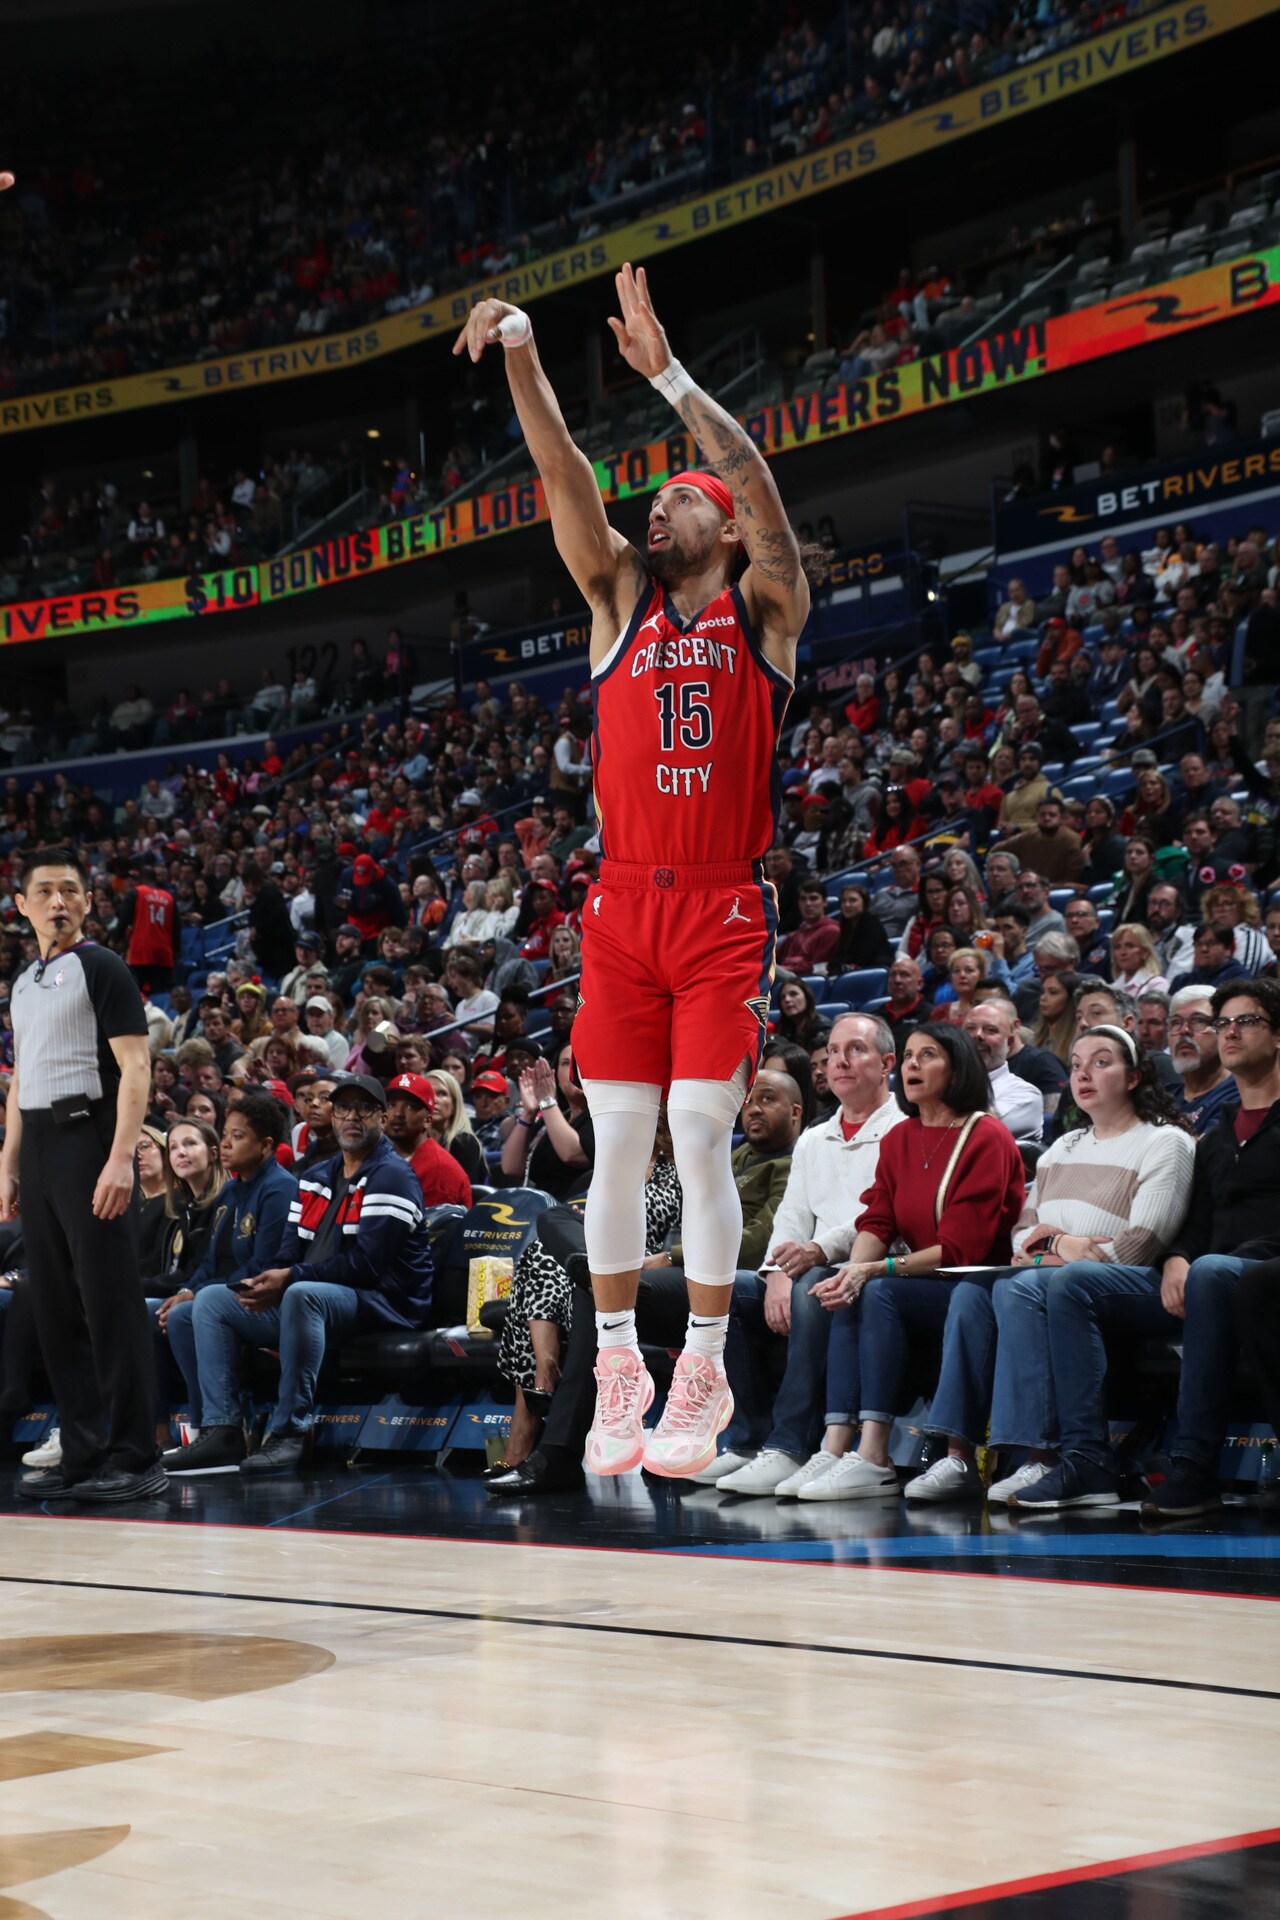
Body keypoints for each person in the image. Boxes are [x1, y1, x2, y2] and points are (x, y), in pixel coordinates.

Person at [456, 263, 811, 1481]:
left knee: (701, 1143)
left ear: (719, 522)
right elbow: (563, 471)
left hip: (720, 906)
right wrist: (520, 350)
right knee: (617, 1151)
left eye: (676, 501)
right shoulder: (614, 596)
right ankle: (619, 1363)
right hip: (618, 911)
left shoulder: (766, 606)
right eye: (650, 503)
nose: (655, 514)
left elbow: (758, 482)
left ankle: (701, 1366)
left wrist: (664, 378)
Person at [489, 1070, 802, 1494]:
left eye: (768, 1099)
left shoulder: (784, 1163)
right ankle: (594, 1269)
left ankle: (556, 1451)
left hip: (706, 1278)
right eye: (751, 1098)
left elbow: (756, 1241)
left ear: (797, 1113)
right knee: (557, 1224)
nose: (753, 1108)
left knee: (593, 1284)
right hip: (658, 1270)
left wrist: (666, 1257)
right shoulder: (737, 1157)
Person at [793, 1025, 1024, 1501]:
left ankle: (874, 1453)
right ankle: (835, 1447)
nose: (912, 1065)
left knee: (878, 1289)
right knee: (849, 1289)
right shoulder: (901, 1138)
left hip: (974, 1285)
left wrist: (873, 1272)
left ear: (957, 1068)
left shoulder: (987, 1136)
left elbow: (963, 1249)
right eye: (910, 1056)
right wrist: (852, 1271)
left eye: (928, 1055)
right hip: (921, 1282)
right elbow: (877, 1220)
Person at [165, 1075, 434, 1477]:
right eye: (343, 1108)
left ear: (380, 1116)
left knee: (301, 1293)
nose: (351, 1116)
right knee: (209, 1302)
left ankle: (290, 1431)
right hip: (317, 1296)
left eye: (363, 1108)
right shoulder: (315, 1176)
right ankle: (221, 1430)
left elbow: (367, 1266)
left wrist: (290, 1277)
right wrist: (271, 1279)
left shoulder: (392, 1175)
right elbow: (290, 1249)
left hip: (384, 1301)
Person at [975, 1028, 1198, 1510]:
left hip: (1142, 1286)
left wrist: (1050, 1247)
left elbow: (1137, 1247)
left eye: (1101, 1062)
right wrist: (1060, 1247)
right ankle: (1033, 1455)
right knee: (997, 1288)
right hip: (1069, 1279)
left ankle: (1084, 1458)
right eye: (1076, 1064)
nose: (1082, 1074)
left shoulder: (1166, 1143)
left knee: (1054, 1282)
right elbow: (1021, 1235)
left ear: (1135, 1076)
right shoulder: (1062, 1148)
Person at [3, 851, 164, 1503]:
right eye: (44, 891)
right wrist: (9, 1164)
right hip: (38, 1143)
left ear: (89, 901)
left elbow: (136, 1068)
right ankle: (85, 1453)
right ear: (21, 905)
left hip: (87, 1137)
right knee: (54, 1308)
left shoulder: (101, 966)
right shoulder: (22, 982)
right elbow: (20, 1082)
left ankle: (135, 1455)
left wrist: (121, 1156)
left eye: (70, 889)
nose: (57, 901)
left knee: (110, 1301)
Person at [714, 1014, 906, 1494]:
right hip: (804, 1263)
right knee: (724, 1293)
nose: (840, 1060)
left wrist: (811, 1253)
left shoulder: (903, 1130)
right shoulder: (814, 1138)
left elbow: (878, 1214)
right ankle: (745, 1442)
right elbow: (791, 1215)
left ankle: (790, 1445)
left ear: (886, 1064)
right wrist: (774, 1271)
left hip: (871, 1267)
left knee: (810, 1283)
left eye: (856, 1050)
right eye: (834, 1051)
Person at [1141, 980, 1280, 1518]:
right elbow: (1196, 1225)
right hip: (1219, 1276)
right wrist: (1177, 1258)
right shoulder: (1217, 1134)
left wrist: (1213, 1263)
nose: (1229, 1032)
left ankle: (1194, 1466)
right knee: (1209, 1272)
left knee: (1219, 1273)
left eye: (1247, 1021)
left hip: (1261, 1270)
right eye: (1222, 1023)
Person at [495, 1114, 681, 1472]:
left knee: (543, 1262)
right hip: (590, 1261)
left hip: (644, 1265)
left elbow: (685, 1239)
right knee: (550, 1227)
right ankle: (548, 1362)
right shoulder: (606, 1173)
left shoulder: (684, 1171)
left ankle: (527, 1423)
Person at [162, 1092, 298, 1442]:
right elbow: (210, 1261)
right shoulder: (229, 1191)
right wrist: (185, 1290)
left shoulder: (279, 1188)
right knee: (160, 1313)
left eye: (237, 1136)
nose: (225, 1143)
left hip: (267, 1301)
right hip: (226, 1294)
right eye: (224, 1135)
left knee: (194, 1309)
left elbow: (262, 1266)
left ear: (266, 1145)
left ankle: (222, 1427)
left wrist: (197, 1293)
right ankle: (192, 1426)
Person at [499, 1050, 593, 1201]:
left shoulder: (601, 1117)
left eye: (582, 1061)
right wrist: (528, 1113)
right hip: (532, 1210)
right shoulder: (552, 1118)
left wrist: (547, 1101)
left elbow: (572, 1153)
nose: (574, 1069)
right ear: (555, 1075)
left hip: (572, 1217)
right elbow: (511, 1167)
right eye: (566, 1063)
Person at [384, 1073, 473, 1207]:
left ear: (428, 1120)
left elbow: (431, 1227)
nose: (398, 1113)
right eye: (391, 1105)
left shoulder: (439, 1171)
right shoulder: (380, 1156)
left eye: (410, 1107)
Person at [963, 1000, 1043, 1145]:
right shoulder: (940, 1082)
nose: (977, 1035)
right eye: (970, 1028)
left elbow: (975, 1129)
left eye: (990, 1030)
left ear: (1010, 1043)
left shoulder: (1025, 1095)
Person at [1167, 987, 1239, 1134]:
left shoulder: (1239, 1095)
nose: (1184, 1030)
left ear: (1223, 1031)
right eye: (1175, 1022)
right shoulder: (1164, 1096)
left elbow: (1205, 1153)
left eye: (1198, 1020)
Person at [426, 1068, 488, 1187]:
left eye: (441, 1094)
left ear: (454, 1104)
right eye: (428, 1093)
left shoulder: (465, 1143)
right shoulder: (412, 1142)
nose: (433, 1100)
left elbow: (467, 1197)